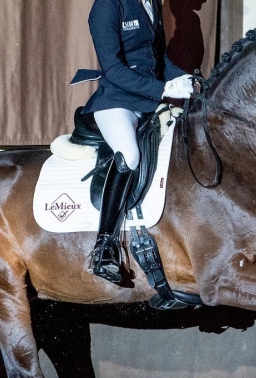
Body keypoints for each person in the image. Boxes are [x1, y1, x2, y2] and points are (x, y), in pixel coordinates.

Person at [77, 0, 194, 284]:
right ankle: (104, 248)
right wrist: (164, 88)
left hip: (150, 103)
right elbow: (113, 68)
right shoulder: (108, 6)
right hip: (117, 102)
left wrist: (184, 78)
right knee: (129, 154)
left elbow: (157, 57)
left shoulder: (152, 3)